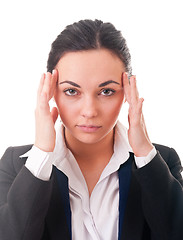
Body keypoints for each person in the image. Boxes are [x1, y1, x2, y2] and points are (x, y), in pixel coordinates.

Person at [0, 19, 182, 240]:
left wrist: (144, 150)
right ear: (50, 91)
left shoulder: (159, 162)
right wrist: (42, 152)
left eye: (106, 91)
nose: (89, 111)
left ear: (127, 91)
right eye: (71, 91)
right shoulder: (18, 164)